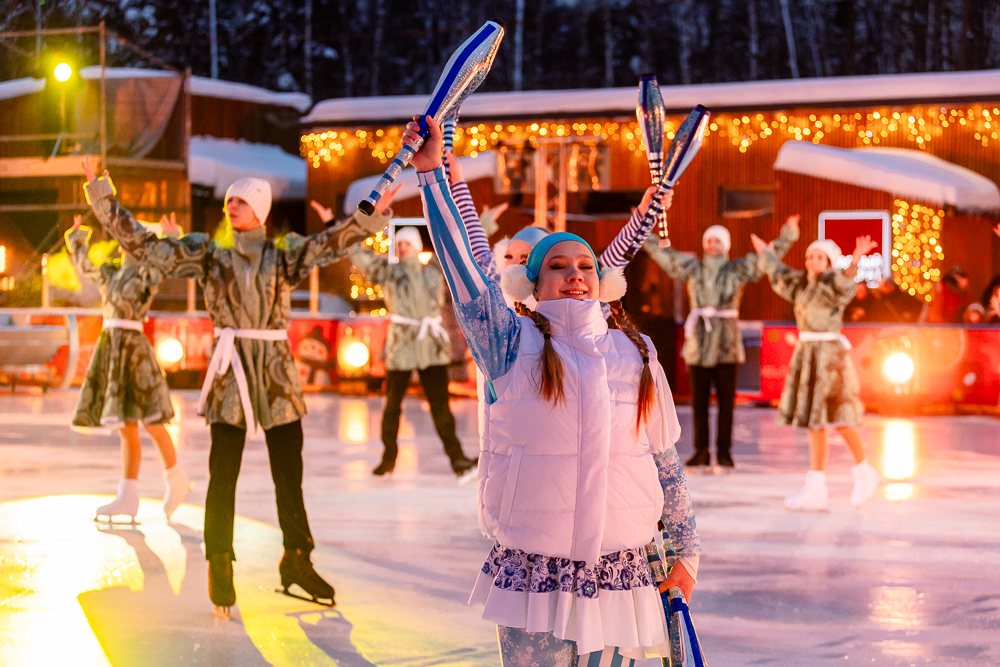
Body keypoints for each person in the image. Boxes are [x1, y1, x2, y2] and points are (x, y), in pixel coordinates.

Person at [409, 115, 700, 665]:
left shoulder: (635, 354)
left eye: (586, 266)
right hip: (535, 573)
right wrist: (434, 177)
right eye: (558, 266)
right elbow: (464, 269)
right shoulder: (509, 344)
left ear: (601, 279)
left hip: (624, 569)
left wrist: (688, 551)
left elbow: (665, 462)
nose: (575, 274)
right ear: (533, 285)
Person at [83, 159, 389, 614]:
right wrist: (103, 196)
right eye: (229, 199)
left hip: (277, 377)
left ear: (261, 209)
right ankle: (219, 560)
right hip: (232, 375)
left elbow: (329, 243)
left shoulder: (283, 255)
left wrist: (367, 217)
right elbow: (147, 247)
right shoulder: (210, 255)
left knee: (290, 477)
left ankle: (298, 558)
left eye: (242, 199)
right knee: (222, 474)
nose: (232, 205)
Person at [312, 191, 478, 479]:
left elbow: (459, 246)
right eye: (399, 243)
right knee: (391, 406)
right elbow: (359, 253)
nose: (402, 248)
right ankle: (388, 457)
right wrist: (332, 225)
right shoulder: (387, 273)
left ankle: (458, 459)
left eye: (407, 244)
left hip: (429, 346)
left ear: (415, 247)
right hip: (401, 345)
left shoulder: (434, 271)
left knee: (440, 406)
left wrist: (484, 222)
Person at [643, 216, 800, 472]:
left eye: (718, 240)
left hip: (726, 342)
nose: (713, 244)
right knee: (699, 403)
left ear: (725, 245)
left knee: (727, 402)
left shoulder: (736, 269)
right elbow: (667, 256)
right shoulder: (693, 268)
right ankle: (701, 451)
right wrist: (644, 233)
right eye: (709, 240)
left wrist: (788, 234)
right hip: (701, 343)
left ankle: (725, 453)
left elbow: (766, 258)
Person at [65, 213, 191, 523]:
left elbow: (165, 262)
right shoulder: (111, 273)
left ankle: (175, 479)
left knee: (151, 421)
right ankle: (128, 494)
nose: (126, 244)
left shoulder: (148, 272)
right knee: (127, 426)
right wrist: (78, 240)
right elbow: (87, 267)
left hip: (133, 351)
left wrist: (171, 238)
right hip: (113, 348)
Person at [752, 233, 881, 511]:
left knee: (841, 419)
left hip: (830, 356)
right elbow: (779, 272)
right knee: (815, 422)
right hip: (808, 353)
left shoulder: (834, 281)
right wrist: (766, 253)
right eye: (810, 255)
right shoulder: (801, 284)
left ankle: (864, 471)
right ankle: (816, 487)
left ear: (829, 261)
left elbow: (847, 281)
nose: (813, 260)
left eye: (819, 257)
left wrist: (856, 258)